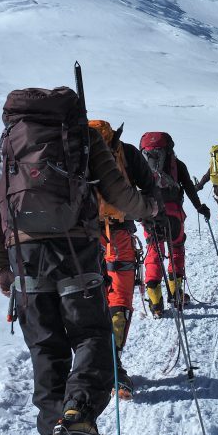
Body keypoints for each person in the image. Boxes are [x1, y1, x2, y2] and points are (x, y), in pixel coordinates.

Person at [0, 86, 158, 435]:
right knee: (92, 336)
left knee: (46, 349)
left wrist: (2, 267)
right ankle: (77, 418)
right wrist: (151, 207)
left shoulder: (10, 140)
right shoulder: (82, 134)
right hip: (76, 251)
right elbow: (118, 193)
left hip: (25, 259)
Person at [89, 120, 159, 400]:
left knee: (90, 301)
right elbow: (148, 187)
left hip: (81, 240)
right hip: (118, 237)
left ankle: (90, 368)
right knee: (119, 299)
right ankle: (113, 366)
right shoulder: (126, 153)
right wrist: (153, 215)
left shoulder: (71, 150)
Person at [139, 132, 210, 317]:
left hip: (150, 213)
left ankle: (155, 303)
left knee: (154, 252)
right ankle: (176, 295)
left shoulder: (141, 165)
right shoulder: (177, 165)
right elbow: (189, 188)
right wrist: (200, 207)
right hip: (174, 214)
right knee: (176, 250)